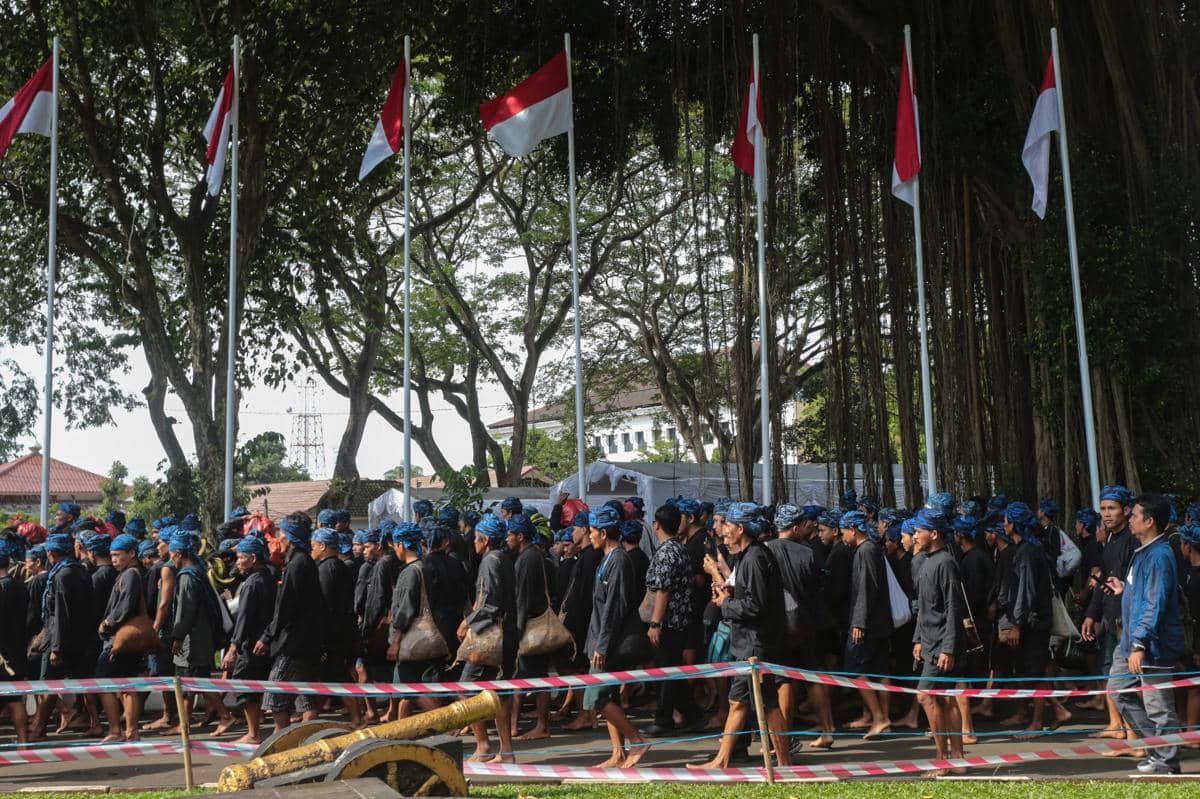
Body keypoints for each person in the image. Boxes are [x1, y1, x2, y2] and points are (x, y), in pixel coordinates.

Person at [691, 502, 791, 770]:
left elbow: (756, 606)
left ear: (741, 528)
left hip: (756, 646)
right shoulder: (748, 557)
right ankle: (722, 759)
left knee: (768, 706)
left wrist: (726, 604)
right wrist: (730, 594)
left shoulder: (756, 558)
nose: (723, 531)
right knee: (736, 702)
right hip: (746, 644)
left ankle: (784, 762)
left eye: (728, 525)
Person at [1104, 494, 1186, 775]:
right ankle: (1157, 749)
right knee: (1117, 691)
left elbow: (1156, 603)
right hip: (1129, 640)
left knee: (1159, 706)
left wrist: (1140, 643)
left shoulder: (1160, 555)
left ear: (1149, 521)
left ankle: (1167, 760)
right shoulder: (1143, 553)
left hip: (1151, 645)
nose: (1130, 519)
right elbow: (1145, 595)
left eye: (1135, 515)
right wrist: (1123, 591)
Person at [578, 505, 649, 768]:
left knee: (596, 698)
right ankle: (618, 752)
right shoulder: (607, 559)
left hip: (607, 643)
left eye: (593, 531)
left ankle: (636, 740)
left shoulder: (619, 560)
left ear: (604, 532)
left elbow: (614, 607)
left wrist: (602, 644)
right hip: (597, 638)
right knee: (609, 698)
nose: (590, 536)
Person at [769, 503, 831, 747]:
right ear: (794, 527)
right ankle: (827, 729)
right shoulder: (808, 553)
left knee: (783, 680)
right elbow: (817, 590)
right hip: (806, 624)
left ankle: (783, 735)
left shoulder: (765, 550)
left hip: (779, 627)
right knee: (813, 676)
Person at [910, 509, 967, 776]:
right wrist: (918, 639)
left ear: (934, 534)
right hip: (929, 641)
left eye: (919, 531)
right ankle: (956, 756)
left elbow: (953, 608)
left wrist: (948, 647)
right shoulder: (925, 561)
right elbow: (924, 607)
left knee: (926, 695)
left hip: (943, 644)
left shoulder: (945, 562)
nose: (914, 536)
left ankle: (943, 758)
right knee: (945, 699)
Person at [257, 512, 323, 733]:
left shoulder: (297, 565)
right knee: (304, 696)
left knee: (276, 693)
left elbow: (285, 607)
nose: (278, 539)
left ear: (291, 537)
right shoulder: (304, 561)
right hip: (308, 639)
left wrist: (267, 637)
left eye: (282, 534)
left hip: (294, 641)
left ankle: (280, 740)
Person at [1081, 485, 1137, 743]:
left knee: (1124, 679)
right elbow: (1103, 581)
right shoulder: (1110, 540)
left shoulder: (1132, 541)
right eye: (1103, 509)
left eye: (1111, 508)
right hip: (1111, 618)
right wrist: (1091, 615)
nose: (1106, 514)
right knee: (1109, 671)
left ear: (1126, 510)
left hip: (1129, 621)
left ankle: (1135, 735)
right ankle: (1116, 724)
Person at [459, 514, 517, 763]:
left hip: (492, 636)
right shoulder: (502, 559)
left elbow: (489, 603)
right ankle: (506, 751)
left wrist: (467, 622)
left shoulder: (491, 561)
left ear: (486, 540)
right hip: (507, 634)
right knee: (499, 692)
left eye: (476, 539)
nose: (473, 543)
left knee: (466, 689)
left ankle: (483, 745)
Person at [996, 502, 1055, 739]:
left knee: (1035, 673)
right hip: (1026, 621)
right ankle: (1026, 714)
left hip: (1033, 624)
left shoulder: (1028, 552)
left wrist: (1016, 624)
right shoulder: (1022, 550)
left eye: (1007, 521)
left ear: (1014, 524)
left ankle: (1037, 722)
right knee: (1024, 671)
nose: (1004, 525)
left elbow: (1025, 591)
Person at [644, 502, 703, 737]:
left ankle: (664, 718)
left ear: (657, 525)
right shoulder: (679, 548)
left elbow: (663, 590)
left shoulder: (668, 551)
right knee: (671, 670)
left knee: (666, 671)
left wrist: (655, 623)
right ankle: (692, 714)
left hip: (669, 621)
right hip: (679, 620)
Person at [28, 533, 92, 741]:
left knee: (47, 685)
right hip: (76, 637)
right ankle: (95, 723)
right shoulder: (78, 570)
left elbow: (62, 614)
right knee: (83, 682)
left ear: (51, 553)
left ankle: (38, 730)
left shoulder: (63, 575)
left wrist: (56, 647)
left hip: (61, 640)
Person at [841, 509, 892, 739]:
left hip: (869, 624)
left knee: (856, 669)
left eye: (843, 532)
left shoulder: (866, 551)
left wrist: (859, 622)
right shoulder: (870, 549)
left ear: (853, 530)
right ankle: (876, 717)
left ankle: (880, 717)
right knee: (878, 669)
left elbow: (865, 589)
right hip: (878, 622)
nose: (842, 536)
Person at [221, 536, 276, 744]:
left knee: (245, 685)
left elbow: (243, 618)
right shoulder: (269, 577)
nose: (237, 562)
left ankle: (253, 733)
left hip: (250, 643)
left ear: (253, 558)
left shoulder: (252, 583)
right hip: (264, 641)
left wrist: (233, 648)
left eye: (241, 558)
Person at [507, 513, 555, 741]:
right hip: (535, 624)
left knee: (536, 678)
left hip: (532, 628)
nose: (507, 538)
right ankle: (514, 725)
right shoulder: (536, 555)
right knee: (522, 678)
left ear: (521, 536)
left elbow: (522, 600)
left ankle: (542, 725)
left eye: (510, 534)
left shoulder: (527, 559)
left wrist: (516, 632)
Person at [96, 534, 146, 742]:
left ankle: (117, 730)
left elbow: (124, 608)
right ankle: (130, 731)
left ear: (131, 554)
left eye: (117, 555)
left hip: (120, 639)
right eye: (112, 555)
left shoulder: (131, 575)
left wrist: (108, 623)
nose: (113, 559)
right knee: (127, 684)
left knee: (103, 681)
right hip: (127, 640)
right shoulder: (131, 574)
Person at [313, 528, 363, 728]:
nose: (312, 550)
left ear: (323, 546)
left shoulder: (326, 569)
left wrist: (321, 639)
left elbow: (324, 605)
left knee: (338, 676)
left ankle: (357, 717)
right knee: (332, 675)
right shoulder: (343, 567)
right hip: (345, 629)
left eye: (314, 546)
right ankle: (311, 714)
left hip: (333, 633)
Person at [0, 534, 29, 742]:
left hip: (2, 653)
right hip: (18, 649)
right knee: (16, 699)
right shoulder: (21, 585)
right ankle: (24, 743)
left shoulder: (2, 588)